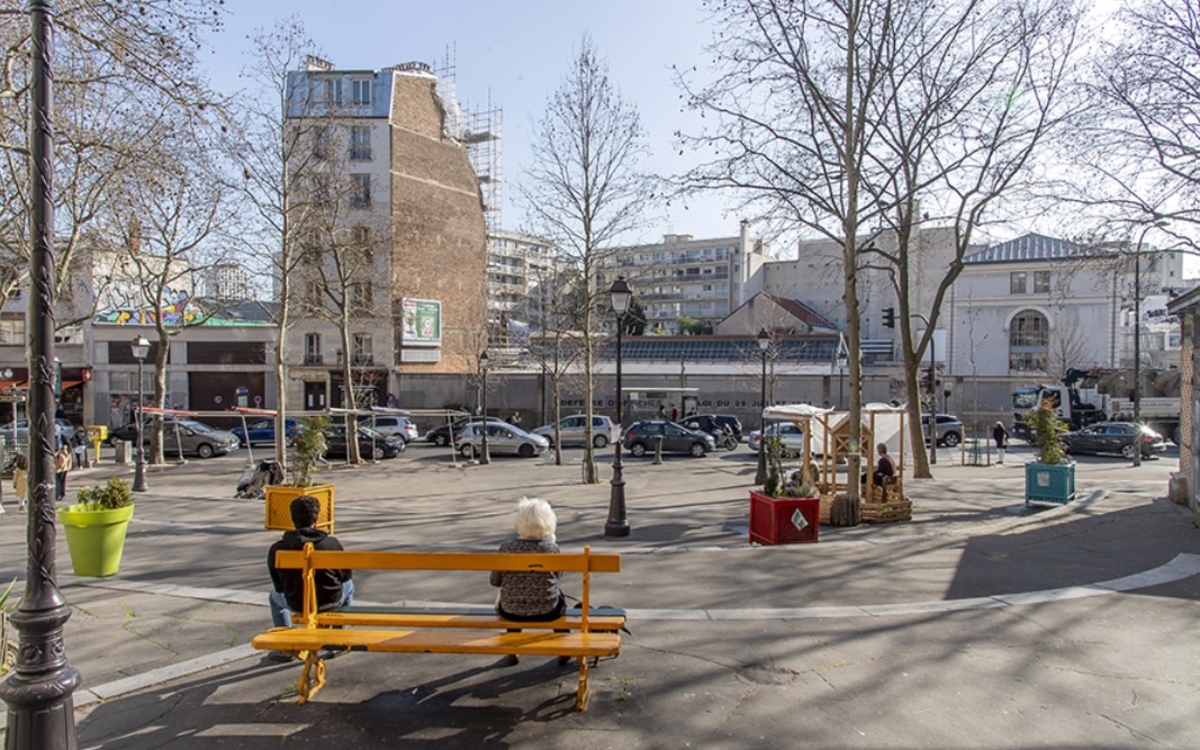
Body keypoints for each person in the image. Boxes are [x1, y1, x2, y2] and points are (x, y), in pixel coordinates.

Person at [266, 495, 354, 662]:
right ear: (317, 517)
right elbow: (345, 576)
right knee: (350, 586)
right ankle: (337, 639)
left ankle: (286, 646)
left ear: (292, 518)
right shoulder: (331, 544)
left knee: (274, 598)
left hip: (296, 602)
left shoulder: (278, 548)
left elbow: (278, 585)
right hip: (330, 600)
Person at [490, 497, 567, 666]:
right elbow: (557, 576)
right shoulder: (552, 549)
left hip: (511, 611)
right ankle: (563, 647)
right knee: (560, 599)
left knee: (511, 596)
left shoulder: (506, 548)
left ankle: (513, 648)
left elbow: (495, 581)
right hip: (548, 610)